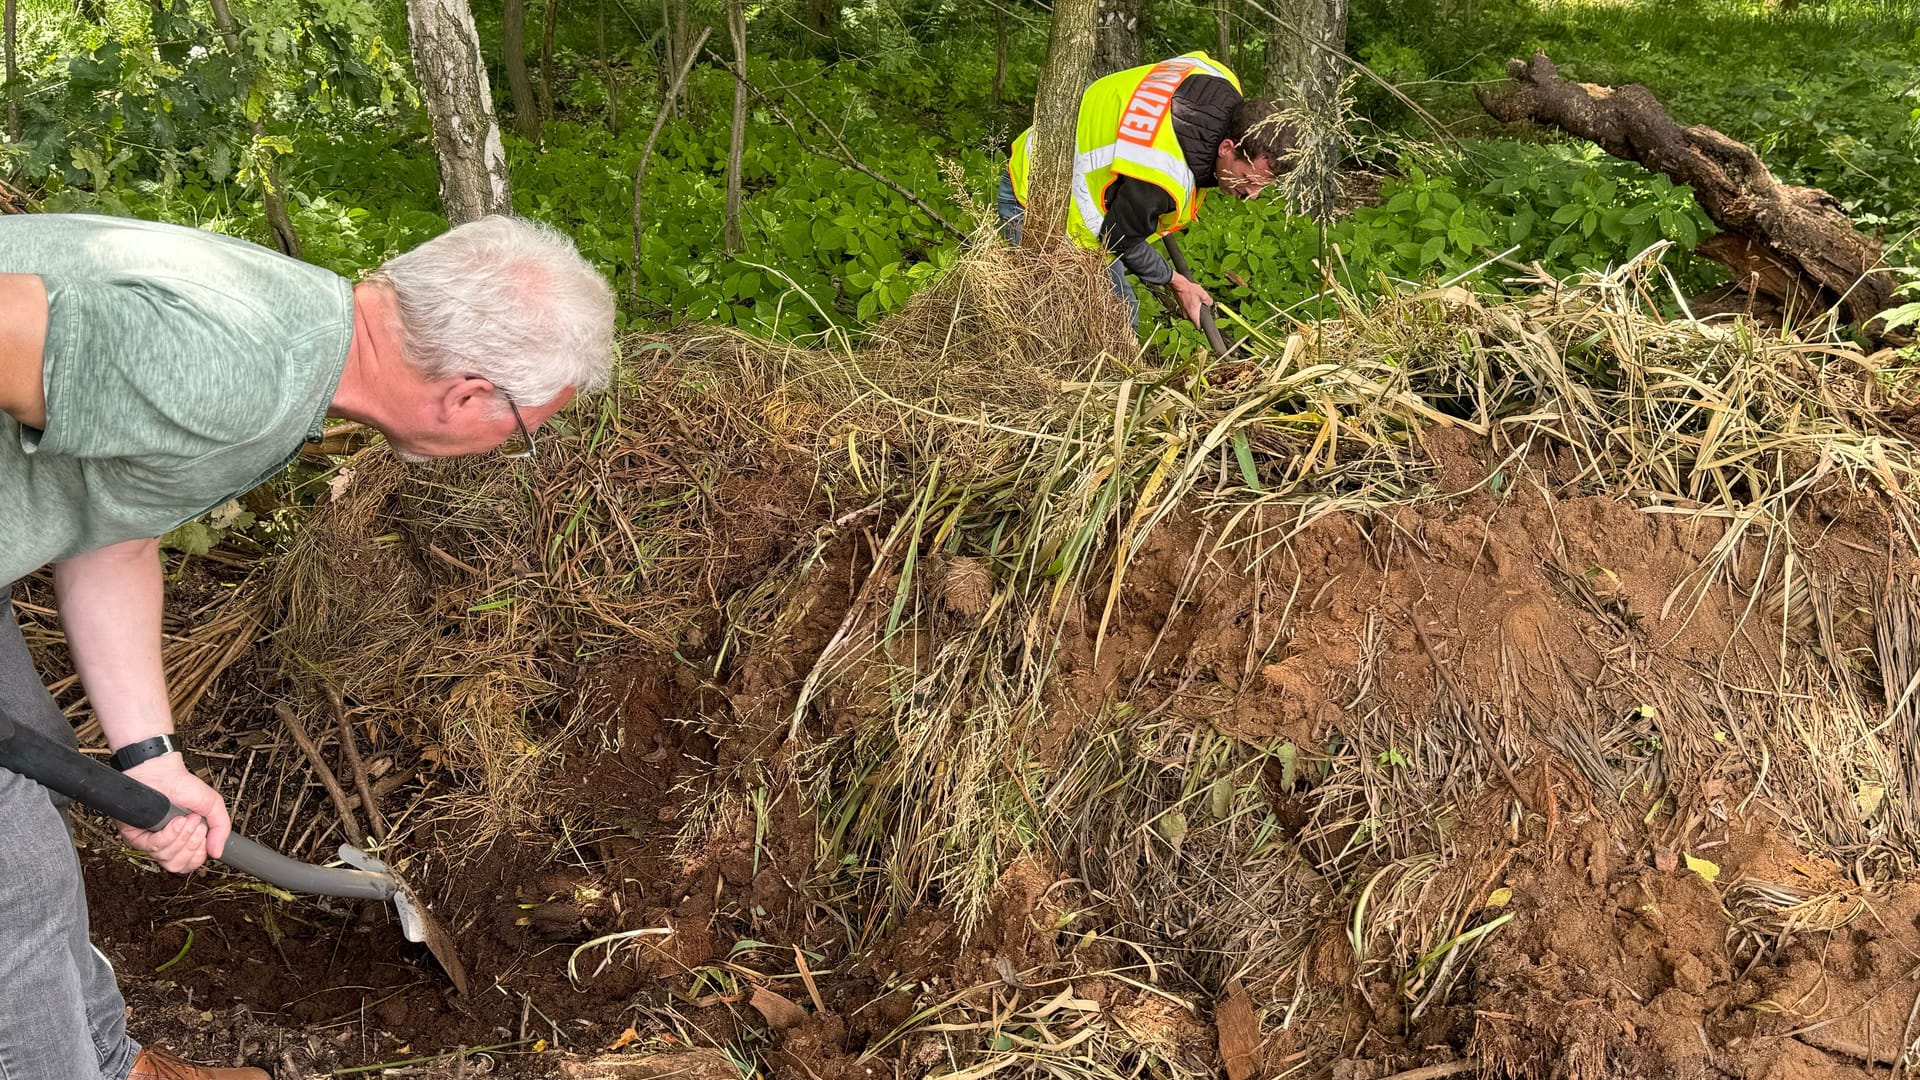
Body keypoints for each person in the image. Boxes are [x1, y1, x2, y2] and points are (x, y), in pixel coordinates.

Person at [0, 212, 617, 1080]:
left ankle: (104, 1063)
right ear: (469, 395)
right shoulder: (244, 363)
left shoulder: (294, 341)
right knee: (7, 877)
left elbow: (114, 531)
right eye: (526, 428)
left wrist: (150, 758)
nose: (520, 446)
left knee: (41, 771)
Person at [998, 51, 1293, 329]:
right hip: (1037, 195)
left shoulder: (1217, 79)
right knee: (1098, 325)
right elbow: (1120, 237)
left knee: (1118, 317)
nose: (1252, 194)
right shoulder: (1160, 175)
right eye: (1249, 180)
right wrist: (1177, 282)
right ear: (1227, 147)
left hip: (1059, 147)